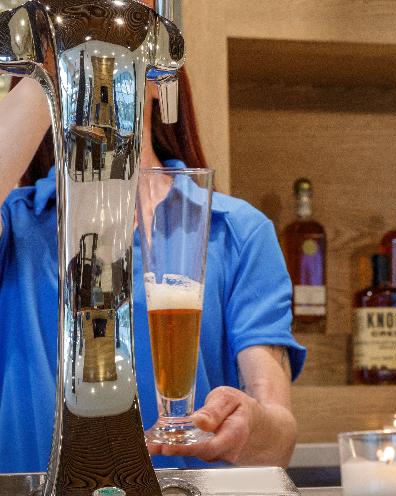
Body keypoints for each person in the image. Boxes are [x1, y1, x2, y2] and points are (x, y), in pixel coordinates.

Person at [0, 48, 305, 469]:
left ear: (162, 77)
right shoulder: (16, 225)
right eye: (80, 54)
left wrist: (249, 428)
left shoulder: (236, 231)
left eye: (120, 48)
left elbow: (279, 442)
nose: (99, 67)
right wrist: (51, 58)